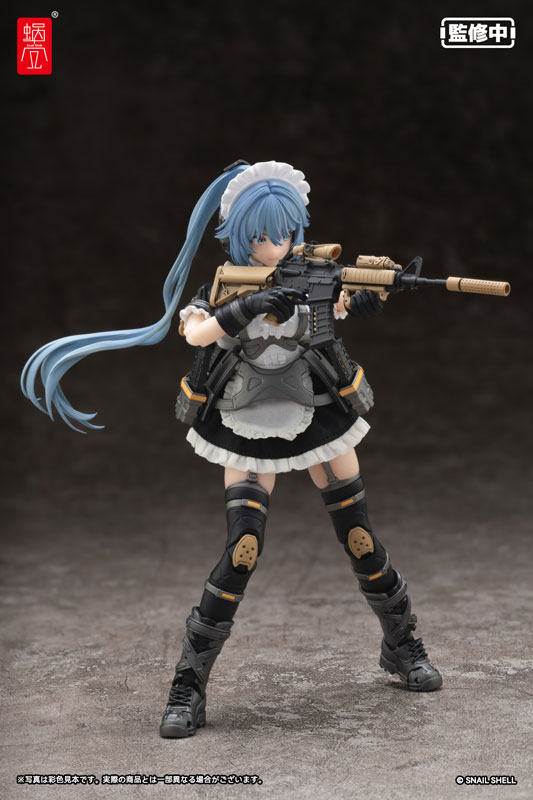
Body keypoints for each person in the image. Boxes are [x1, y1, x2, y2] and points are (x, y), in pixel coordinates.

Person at [20, 159, 442, 742]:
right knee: (243, 548)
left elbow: (340, 306)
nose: (276, 245)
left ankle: (402, 644)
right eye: (263, 236)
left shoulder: (311, 275)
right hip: (246, 422)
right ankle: (188, 684)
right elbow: (195, 332)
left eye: (285, 233)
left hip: (318, 414)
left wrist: (364, 299)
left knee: (359, 537)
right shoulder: (223, 287)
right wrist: (245, 308)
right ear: (241, 236)